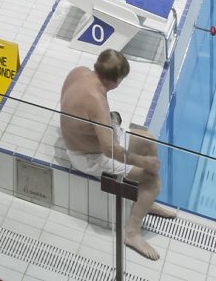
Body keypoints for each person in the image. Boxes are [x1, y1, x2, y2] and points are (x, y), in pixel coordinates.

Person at [59, 48, 161, 259]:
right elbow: (109, 150)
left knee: (149, 141)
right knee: (152, 179)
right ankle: (132, 233)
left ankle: (145, 202)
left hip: (93, 140)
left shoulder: (79, 72)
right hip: (87, 156)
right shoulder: (97, 100)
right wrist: (143, 162)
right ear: (116, 81)